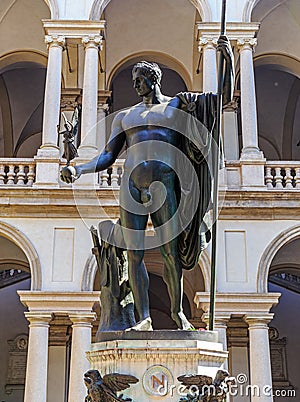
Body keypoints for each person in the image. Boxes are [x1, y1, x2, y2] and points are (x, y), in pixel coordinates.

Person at [61, 36, 234, 330]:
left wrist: (227, 61)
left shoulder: (178, 106)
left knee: (170, 252)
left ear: (153, 80)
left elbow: (223, 100)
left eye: (140, 80)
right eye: (134, 81)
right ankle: (143, 319)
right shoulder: (126, 117)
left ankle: (178, 313)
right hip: (131, 186)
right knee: (134, 253)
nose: (136, 87)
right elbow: (106, 156)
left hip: (165, 184)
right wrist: (79, 170)